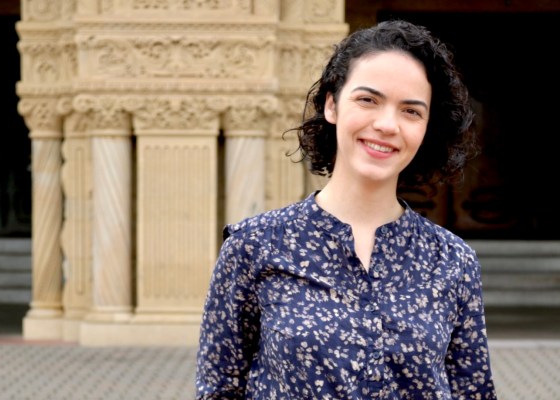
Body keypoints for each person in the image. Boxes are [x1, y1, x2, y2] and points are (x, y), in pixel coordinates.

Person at [195, 19, 497, 399]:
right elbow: (219, 389)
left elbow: (473, 393)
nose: (387, 125)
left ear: (426, 127)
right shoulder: (254, 246)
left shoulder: (453, 260)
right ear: (332, 105)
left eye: (411, 111)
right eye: (368, 100)